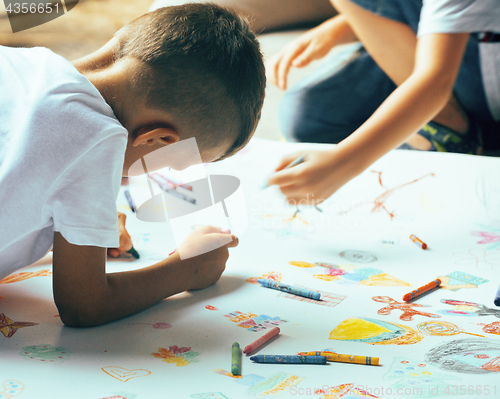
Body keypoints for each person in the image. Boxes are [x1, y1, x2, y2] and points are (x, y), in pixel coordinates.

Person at [0, 3, 266, 327]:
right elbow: (84, 305)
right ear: (157, 140)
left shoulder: (23, 61)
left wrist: (78, 223)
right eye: (178, 164)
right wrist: (186, 269)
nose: (165, 172)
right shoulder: (96, 140)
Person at [267, 0, 500, 204]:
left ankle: (449, 129)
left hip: (468, 71)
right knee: (306, 119)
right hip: (438, 41)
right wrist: (344, 26)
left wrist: (343, 162)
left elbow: (435, 82)